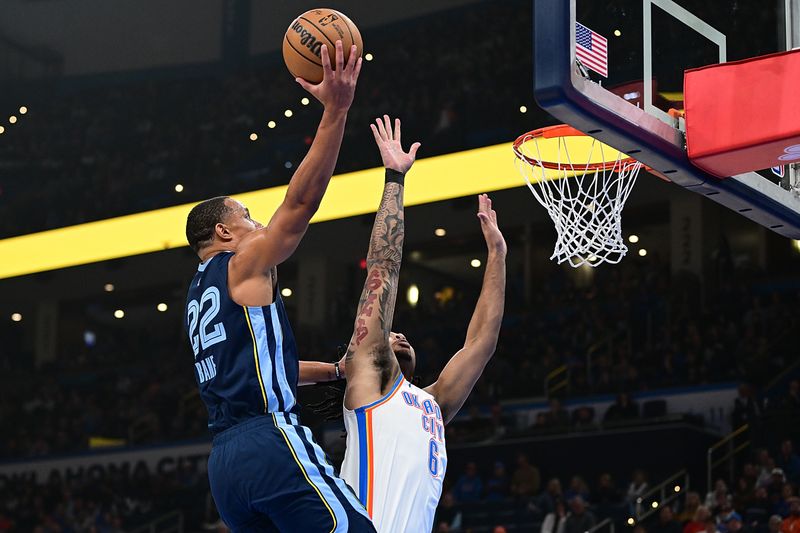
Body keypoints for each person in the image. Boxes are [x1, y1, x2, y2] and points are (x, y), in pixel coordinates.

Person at [183, 41, 373, 531]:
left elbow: (270, 364)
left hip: (225, 467)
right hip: (269, 440)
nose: (257, 221)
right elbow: (300, 203)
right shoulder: (241, 261)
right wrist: (336, 111)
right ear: (224, 233)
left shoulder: (199, 294)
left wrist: (334, 370)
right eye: (246, 215)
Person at [337, 116, 507, 533]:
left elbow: (480, 342)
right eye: (391, 333)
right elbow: (384, 265)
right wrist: (395, 178)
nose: (398, 335)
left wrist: (498, 255)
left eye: (403, 336)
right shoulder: (369, 378)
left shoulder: (434, 404)